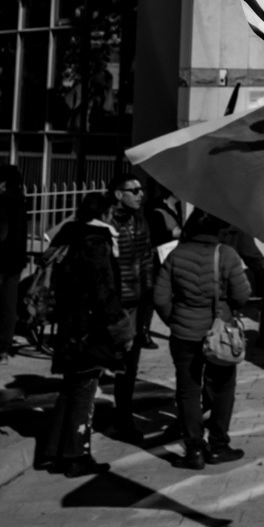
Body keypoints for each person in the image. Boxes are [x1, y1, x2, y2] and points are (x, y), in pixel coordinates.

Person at [41, 192, 131, 477]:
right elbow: (104, 289)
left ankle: (55, 451)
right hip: (89, 327)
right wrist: (119, 326)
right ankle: (77, 454)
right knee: (84, 388)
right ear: (105, 214)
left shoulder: (69, 235)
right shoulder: (97, 241)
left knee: (70, 387)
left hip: (68, 324)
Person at [154, 209, 252, 469]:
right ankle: (218, 446)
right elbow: (242, 295)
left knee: (187, 391)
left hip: (184, 333)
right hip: (218, 334)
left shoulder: (176, 254)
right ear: (218, 230)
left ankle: (194, 450)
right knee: (222, 389)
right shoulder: (227, 254)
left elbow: (160, 296)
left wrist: (173, 320)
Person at [106, 171, 156, 441]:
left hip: (136, 303)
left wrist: (149, 294)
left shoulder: (139, 221)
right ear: (118, 194)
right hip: (112, 304)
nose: (140, 194)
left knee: (129, 365)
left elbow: (146, 257)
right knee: (107, 361)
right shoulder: (105, 221)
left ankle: (124, 419)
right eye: (134, 190)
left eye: (141, 190)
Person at [0, 165, 27, 359]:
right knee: (9, 304)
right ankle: (3, 347)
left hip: (1, 258)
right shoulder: (20, 202)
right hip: (16, 260)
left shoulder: (2, 202)